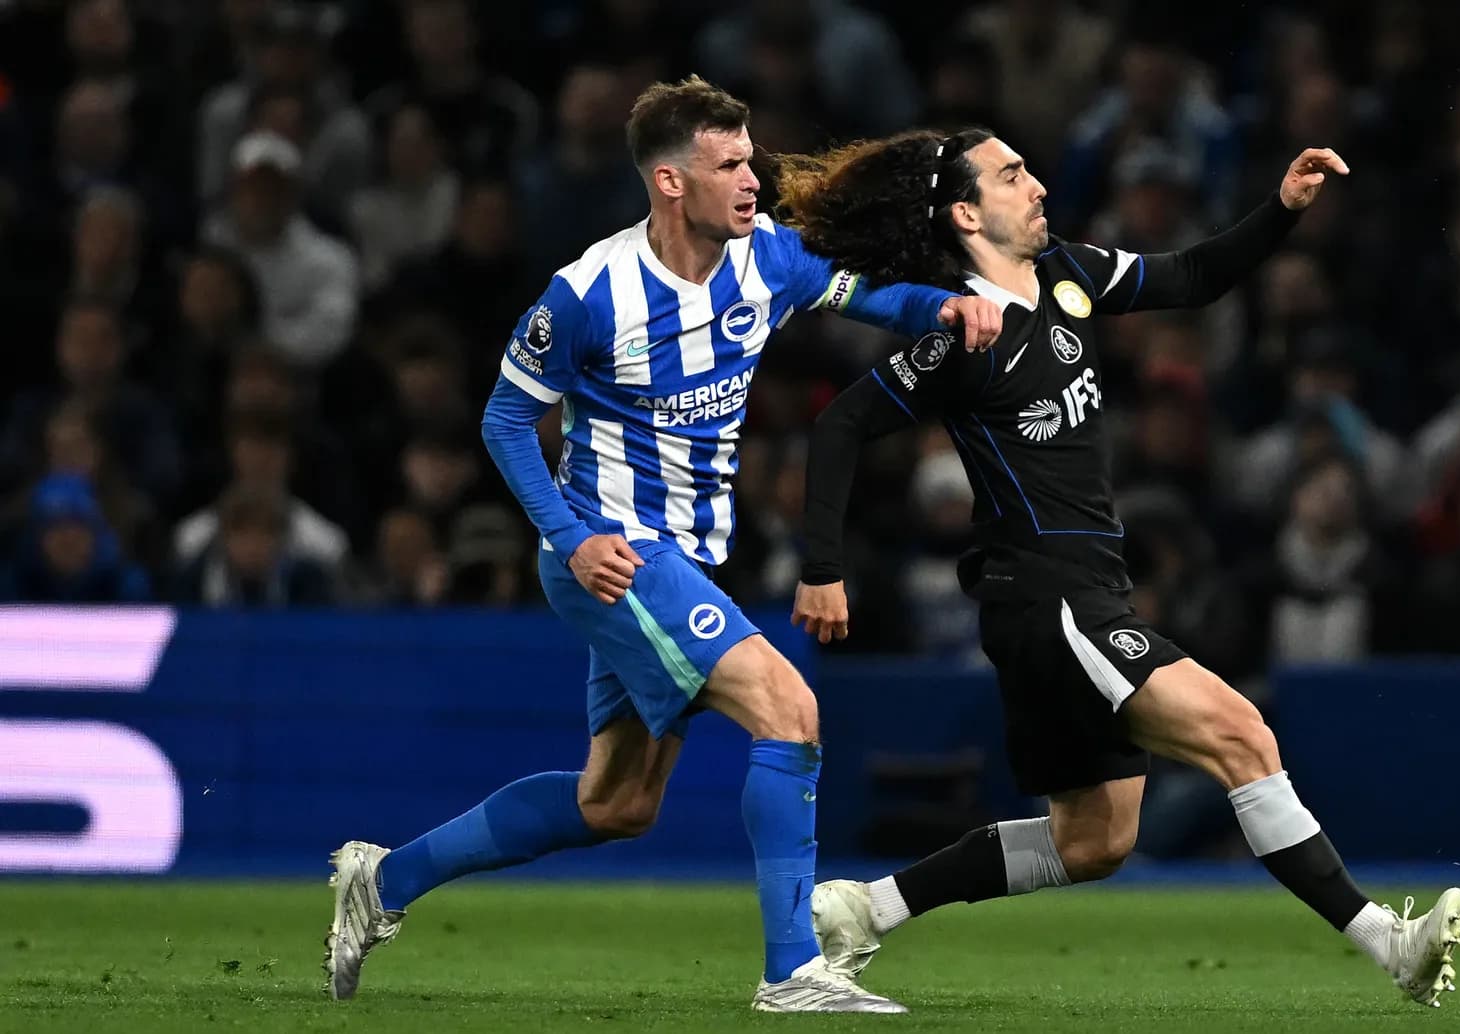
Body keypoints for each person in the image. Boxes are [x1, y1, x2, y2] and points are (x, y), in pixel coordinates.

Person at [321, 77, 1002, 1013]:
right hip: (615, 556)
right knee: (788, 709)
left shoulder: (767, 258)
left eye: (751, 156)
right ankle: (793, 969)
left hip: (680, 553)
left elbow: (866, 296)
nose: (753, 177)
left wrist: (942, 310)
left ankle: (383, 880)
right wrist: (569, 536)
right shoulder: (589, 293)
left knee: (618, 804)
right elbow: (507, 420)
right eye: (729, 164)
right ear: (672, 182)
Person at [780, 128, 1460, 1007]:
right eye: (1011, 175)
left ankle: (865, 911)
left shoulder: (1066, 271)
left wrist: (1282, 208)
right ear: (966, 212)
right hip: (1049, 598)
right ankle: (1388, 943)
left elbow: (1190, 278)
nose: (1036, 184)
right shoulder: (961, 327)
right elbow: (839, 425)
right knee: (1241, 735)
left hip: (1069, 596)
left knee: (1094, 841)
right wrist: (822, 568)